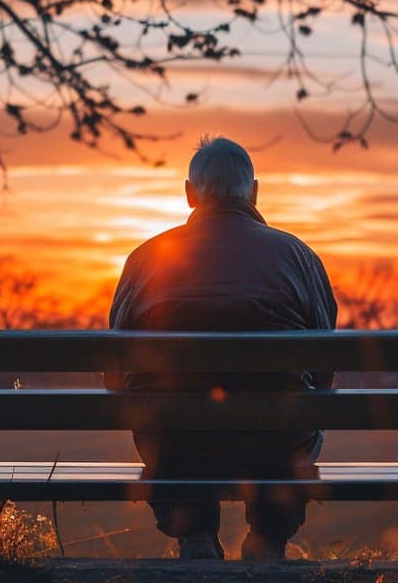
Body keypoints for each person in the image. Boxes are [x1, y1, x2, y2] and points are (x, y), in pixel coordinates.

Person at [105, 135, 337, 560]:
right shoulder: (297, 256)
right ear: (254, 192)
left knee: (162, 422)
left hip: (177, 445)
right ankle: (269, 535)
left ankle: (193, 534)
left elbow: (114, 374)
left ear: (190, 194)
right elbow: (324, 372)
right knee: (299, 415)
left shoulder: (146, 258)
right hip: (273, 445)